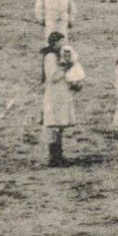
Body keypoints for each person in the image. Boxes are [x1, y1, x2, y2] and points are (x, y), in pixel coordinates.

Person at [41, 34, 85, 167]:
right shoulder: (50, 57)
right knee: (54, 124)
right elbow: (52, 77)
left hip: (62, 92)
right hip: (54, 94)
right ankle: (53, 157)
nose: (64, 45)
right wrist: (66, 67)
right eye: (61, 42)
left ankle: (59, 155)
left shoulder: (60, 55)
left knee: (60, 125)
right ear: (55, 43)